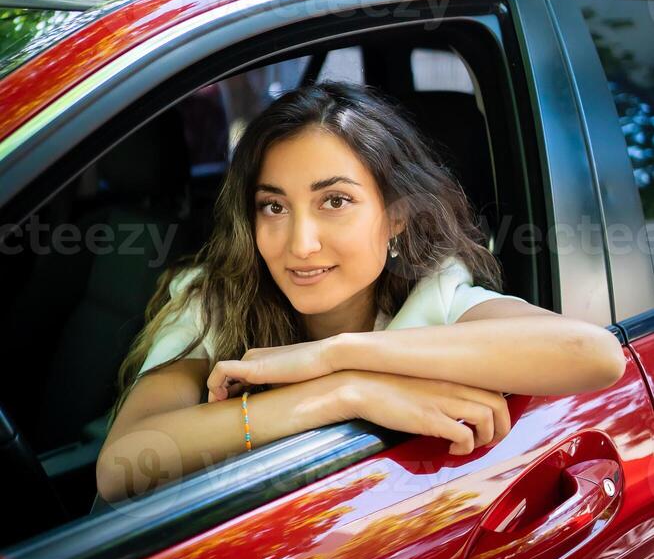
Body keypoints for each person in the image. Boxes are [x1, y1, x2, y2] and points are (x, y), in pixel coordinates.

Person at [96, 80, 626, 505]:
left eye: (335, 202)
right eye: (274, 207)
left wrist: (338, 356)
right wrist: (342, 393)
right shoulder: (216, 298)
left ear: (395, 216)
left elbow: (595, 355)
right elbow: (123, 467)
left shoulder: (435, 298)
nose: (300, 245)